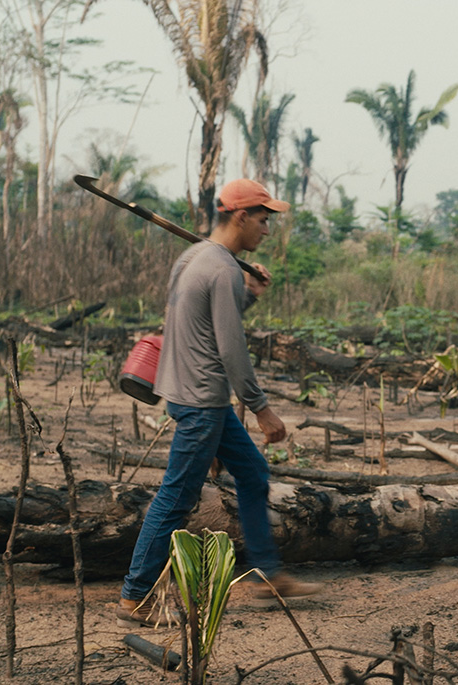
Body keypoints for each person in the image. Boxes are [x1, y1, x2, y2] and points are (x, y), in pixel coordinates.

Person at [117, 179, 322, 628]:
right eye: (264, 220)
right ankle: (136, 595)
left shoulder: (195, 259)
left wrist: (247, 295)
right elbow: (231, 349)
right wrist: (262, 408)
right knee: (176, 497)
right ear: (241, 216)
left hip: (188, 393)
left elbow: (208, 326)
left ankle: (268, 575)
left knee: (252, 472)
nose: (267, 230)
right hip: (202, 401)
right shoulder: (222, 268)